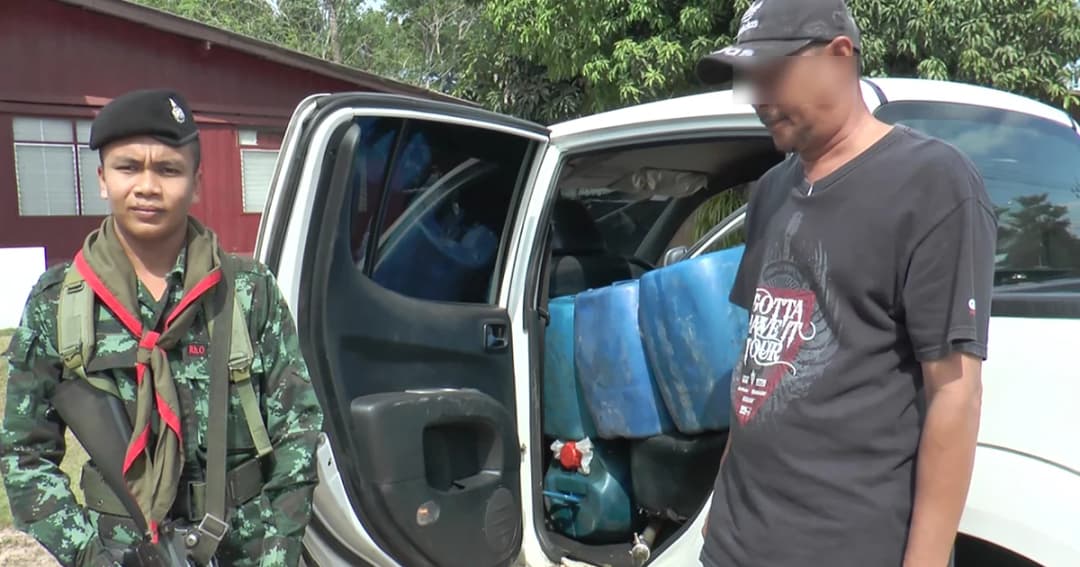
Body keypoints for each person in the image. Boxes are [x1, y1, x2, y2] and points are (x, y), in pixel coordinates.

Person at [694, 1, 995, 565]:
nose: (757, 96)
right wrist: (720, 496)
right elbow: (758, 363)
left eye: (771, 74)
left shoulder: (932, 183)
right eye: (748, 79)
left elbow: (955, 392)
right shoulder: (771, 192)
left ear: (839, 55)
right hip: (736, 542)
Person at [0, 89, 324, 567]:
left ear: (196, 183)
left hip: (248, 548)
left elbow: (298, 431)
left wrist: (276, 554)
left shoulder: (247, 291)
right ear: (103, 179)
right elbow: (24, 452)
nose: (147, 186)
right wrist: (89, 555)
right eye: (128, 167)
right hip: (120, 550)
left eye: (168, 169)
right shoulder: (57, 303)